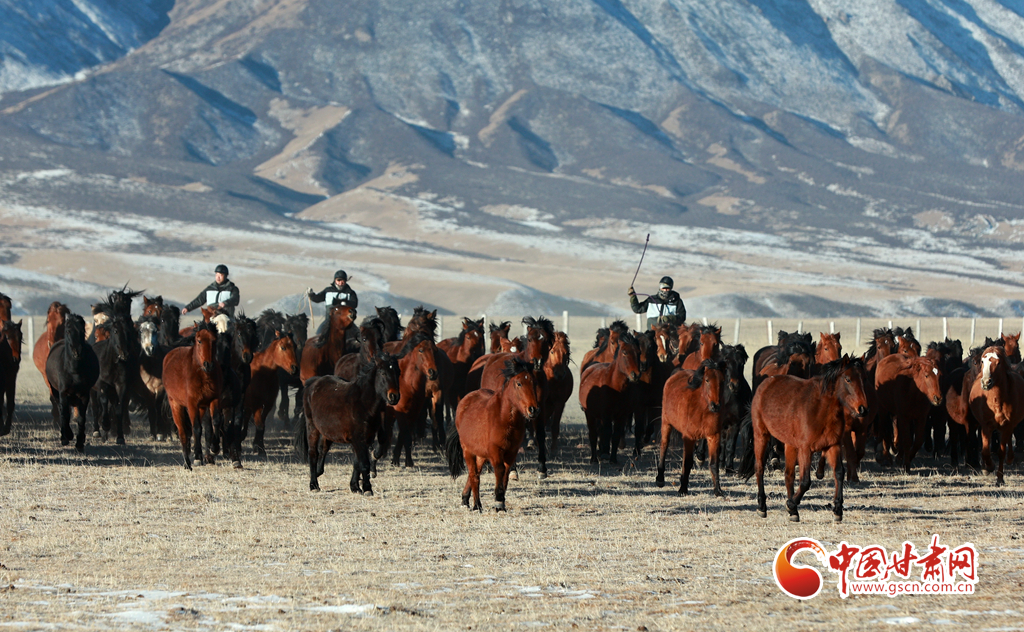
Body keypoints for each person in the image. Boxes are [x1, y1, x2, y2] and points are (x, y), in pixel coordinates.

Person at [308, 270, 358, 335]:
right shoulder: (328, 291)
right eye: (338, 280)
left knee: (358, 335)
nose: (340, 283)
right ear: (335, 280)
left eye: (342, 281)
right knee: (319, 335)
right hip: (329, 320)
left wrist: (345, 303)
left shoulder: (350, 292)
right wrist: (311, 294)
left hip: (346, 321)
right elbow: (317, 298)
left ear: (345, 281)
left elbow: (354, 304)